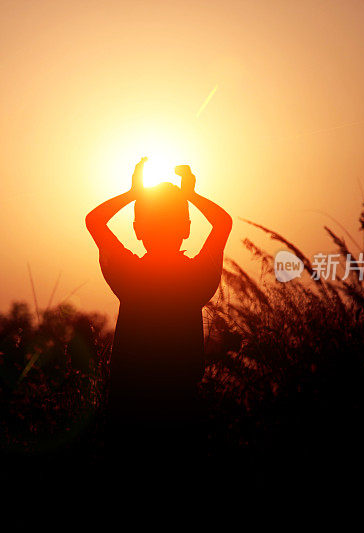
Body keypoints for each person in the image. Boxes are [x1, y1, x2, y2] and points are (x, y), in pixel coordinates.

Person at [85, 157, 232, 473]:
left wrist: (132, 193)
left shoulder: (130, 277)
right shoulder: (196, 279)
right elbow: (223, 223)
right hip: (183, 412)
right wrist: (190, 195)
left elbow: (95, 221)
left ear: (138, 230)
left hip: (128, 414)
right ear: (187, 228)